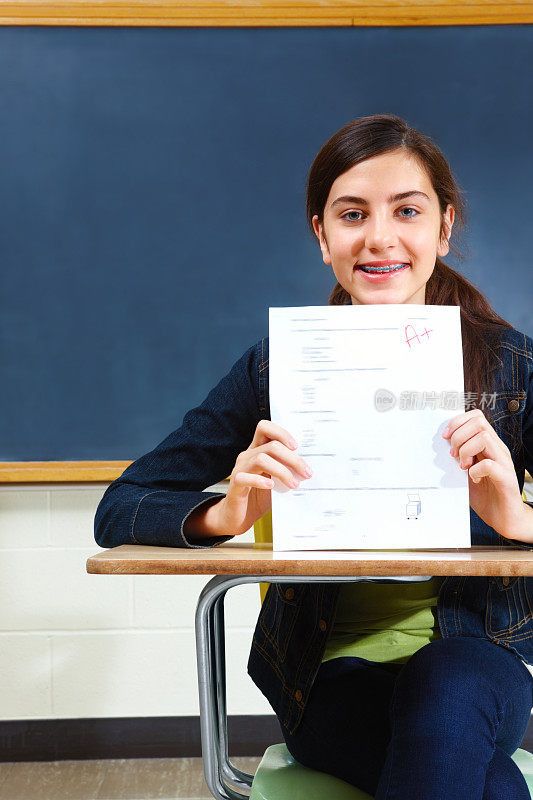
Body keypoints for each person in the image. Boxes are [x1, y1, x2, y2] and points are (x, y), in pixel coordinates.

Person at [94, 113, 533, 799]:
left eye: (406, 211)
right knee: (493, 788)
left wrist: (518, 517)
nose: (379, 237)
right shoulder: (275, 370)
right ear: (321, 236)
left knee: (445, 683)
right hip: (325, 676)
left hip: (478, 659)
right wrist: (227, 514)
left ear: (443, 228)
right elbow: (118, 507)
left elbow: (519, 526)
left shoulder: (512, 366)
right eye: (351, 214)